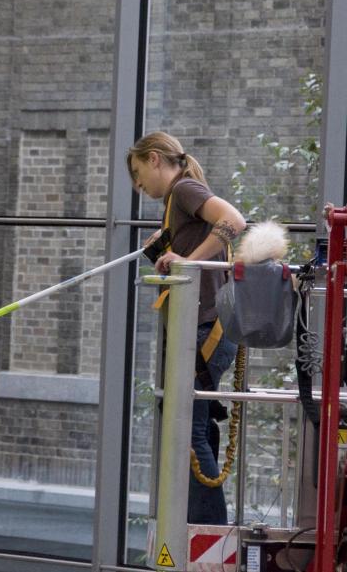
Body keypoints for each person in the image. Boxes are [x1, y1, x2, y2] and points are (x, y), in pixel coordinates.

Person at [127, 131, 246, 525]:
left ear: (156, 159)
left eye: (138, 171)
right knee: (192, 423)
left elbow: (234, 221)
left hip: (206, 329)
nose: (137, 184)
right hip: (207, 327)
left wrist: (189, 263)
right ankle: (201, 525)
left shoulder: (185, 191)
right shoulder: (177, 201)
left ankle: (207, 532)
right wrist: (169, 254)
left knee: (185, 430)